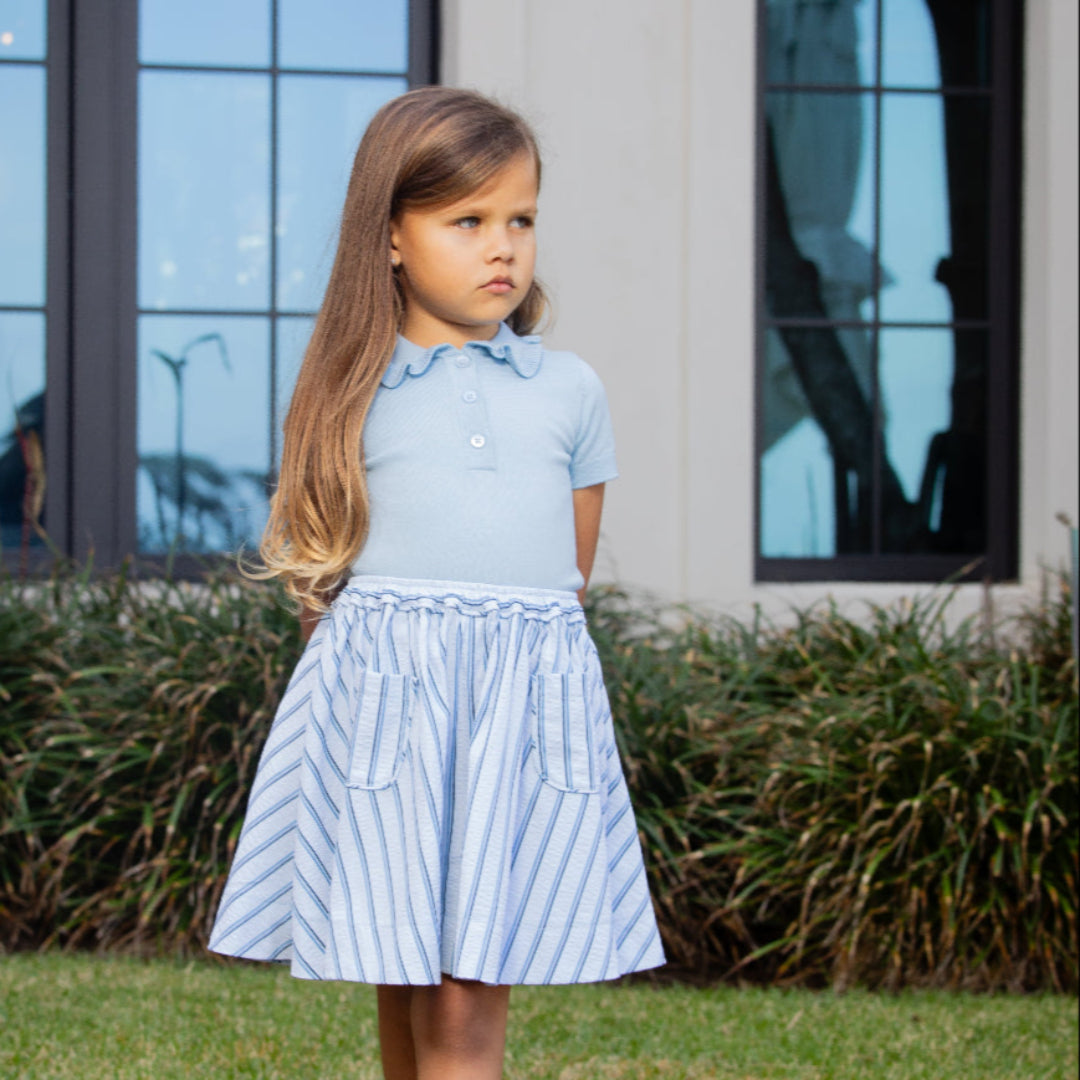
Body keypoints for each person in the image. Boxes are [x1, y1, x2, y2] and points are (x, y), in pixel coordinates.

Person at [207, 85, 666, 1080]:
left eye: (520, 221)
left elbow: (566, 583)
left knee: (462, 1001)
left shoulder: (570, 391)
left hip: (513, 723)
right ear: (391, 236)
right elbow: (320, 580)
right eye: (468, 221)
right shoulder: (345, 391)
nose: (503, 248)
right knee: (405, 980)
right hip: (386, 723)